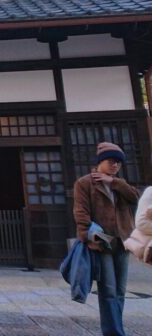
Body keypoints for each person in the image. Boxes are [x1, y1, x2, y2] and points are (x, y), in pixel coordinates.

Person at [73, 142, 138, 336]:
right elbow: (81, 214)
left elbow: (135, 198)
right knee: (108, 290)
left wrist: (114, 182)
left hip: (122, 241)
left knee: (120, 290)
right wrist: (88, 236)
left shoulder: (119, 184)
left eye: (118, 162)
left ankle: (116, 329)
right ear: (100, 162)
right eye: (111, 161)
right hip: (102, 242)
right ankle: (114, 332)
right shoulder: (85, 183)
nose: (115, 166)